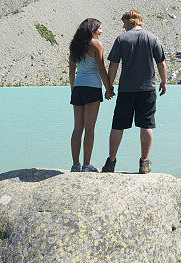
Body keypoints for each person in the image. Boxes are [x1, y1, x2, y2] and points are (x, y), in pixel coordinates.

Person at [101, 10, 167, 174]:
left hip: (126, 90)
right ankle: (144, 163)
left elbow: (113, 65)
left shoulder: (121, 39)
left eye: (124, 23)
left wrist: (109, 87)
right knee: (146, 125)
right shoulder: (152, 38)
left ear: (131, 21)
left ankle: (110, 162)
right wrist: (164, 81)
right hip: (147, 89)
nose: (123, 27)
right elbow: (161, 63)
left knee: (118, 125)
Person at [68, 18, 113, 172]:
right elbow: (101, 69)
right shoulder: (96, 44)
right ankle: (87, 165)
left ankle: (75, 165)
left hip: (78, 88)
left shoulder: (75, 45)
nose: (101, 31)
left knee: (77, 128)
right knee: (90, 128)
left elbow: (72, 70)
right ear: (93, 29)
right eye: (99, 29)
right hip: (92, 87)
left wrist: (73, 89)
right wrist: (109, 89)